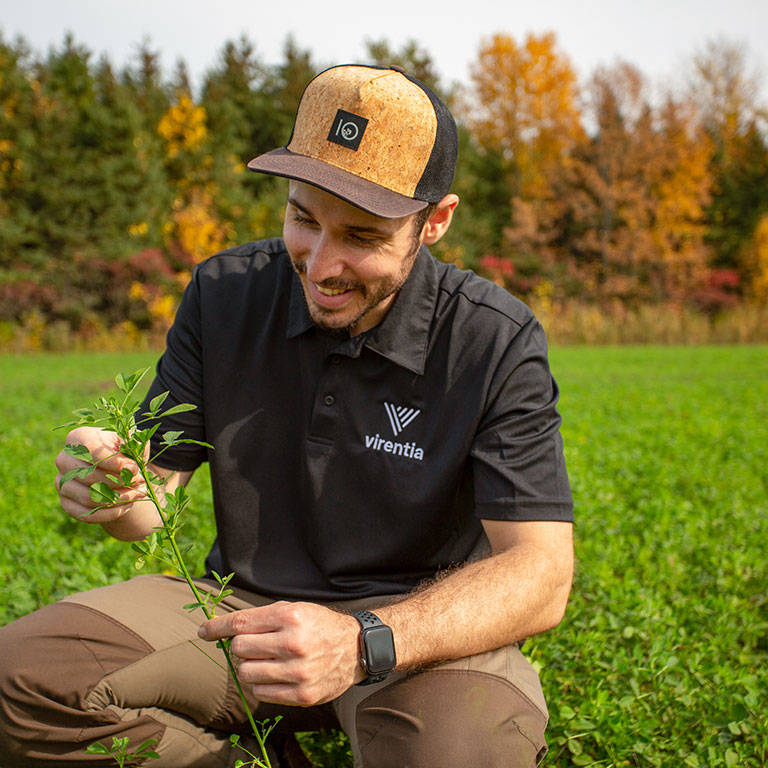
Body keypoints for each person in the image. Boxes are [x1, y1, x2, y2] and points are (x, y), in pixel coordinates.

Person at [0, 64, 574, 768]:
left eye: (361, 236)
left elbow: (541, 574)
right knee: (17, 681)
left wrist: (362, 641)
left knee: (457, 756)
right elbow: (151, 500)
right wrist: (116, 487)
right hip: (235, 607)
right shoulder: (225, 293)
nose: (321, 264)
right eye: (303, 218)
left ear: (436, 222)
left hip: (414, 633)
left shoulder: (493, 338)